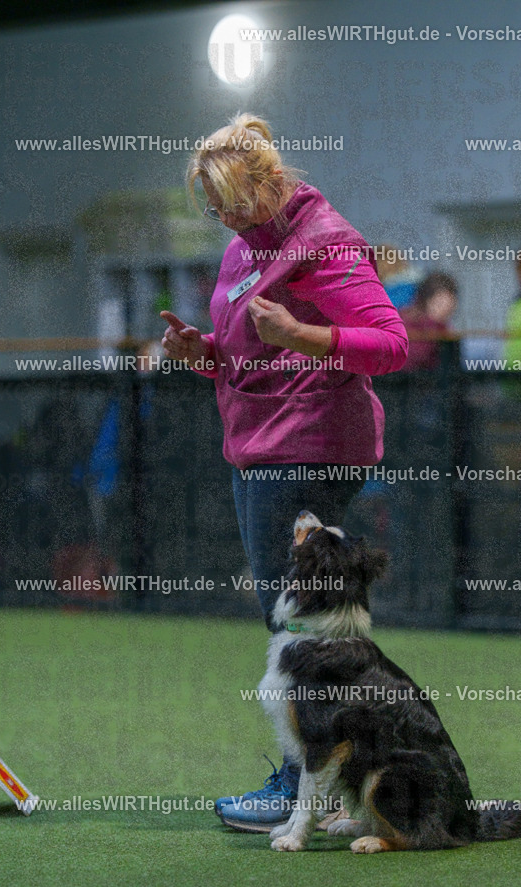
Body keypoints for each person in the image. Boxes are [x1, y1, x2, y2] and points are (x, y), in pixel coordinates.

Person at [159, 113, 408, 832]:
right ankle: (338, 777)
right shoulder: (245, 248)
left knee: (297, 632)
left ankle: (302, 782)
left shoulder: (325, 242)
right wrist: (205, 352)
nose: (226, 221)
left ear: (266, 185)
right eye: (214, 210)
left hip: (309, 444)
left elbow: (390, 343)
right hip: (259, 441)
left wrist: (302, 334)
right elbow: (249, 347)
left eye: (231, 204)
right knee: (298, 625)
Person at [399, 271, 458, 371]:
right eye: (440, 304)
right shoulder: (433, 328)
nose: (446, 310)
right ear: (426, 300)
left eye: (450, 306)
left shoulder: (400, 316)